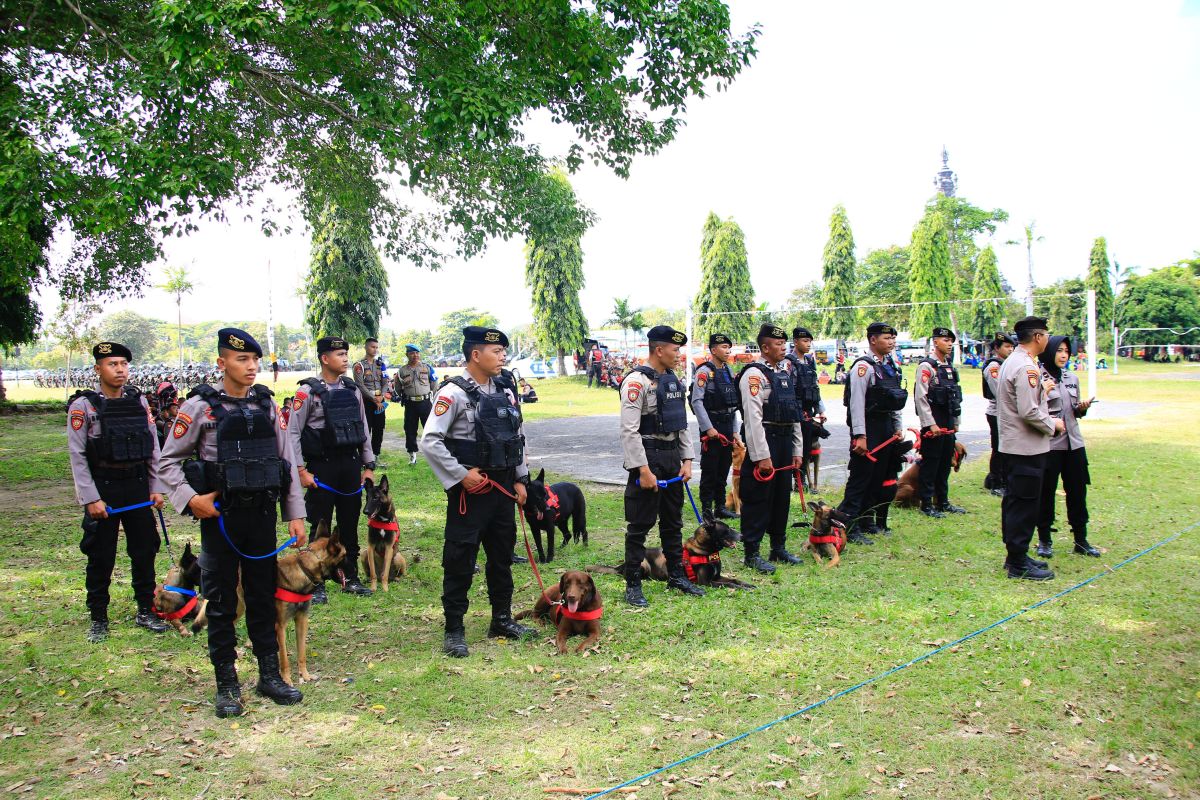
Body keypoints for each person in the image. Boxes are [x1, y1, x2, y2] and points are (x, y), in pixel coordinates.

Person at [158, 328, 307, 716]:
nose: (251, 367)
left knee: (261, 597)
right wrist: (190, 499)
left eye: (255, 360)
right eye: (242, 359)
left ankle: (269, 676)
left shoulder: (266, 405)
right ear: (222, 363)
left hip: (261, 517)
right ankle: (226, 683)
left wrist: (295, 514)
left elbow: (286, 461)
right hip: (221, 520)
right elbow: (167, 461)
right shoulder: (199, 408)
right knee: (222, 602)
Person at [419, 326, 536, 657]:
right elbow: (430, 441)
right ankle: (454, 627)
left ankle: (502, 618)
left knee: (501, 556)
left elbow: (517, 435)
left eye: (503, 351)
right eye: (495, 352)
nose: (502, 357)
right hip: (470, 494)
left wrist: (521, 478)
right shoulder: (452, 393)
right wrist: (459, 475)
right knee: (460, 559)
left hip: (502, 489)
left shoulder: (505, 390)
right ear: (475, 354)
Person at [68, 341, 168, 643]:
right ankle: (98, 616)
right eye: (113, 364)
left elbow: (153, 447)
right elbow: (78, 455)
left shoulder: (139, 403)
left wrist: (156, 486)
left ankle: (145, 609)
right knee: (101, 555)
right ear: (98, 368)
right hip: (104, 488)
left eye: (124, 364)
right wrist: (90, 498)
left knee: (144, 549)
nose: (120, 369)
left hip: (137, 487)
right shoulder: (82, 406)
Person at [617, 325, 702, 606]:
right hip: (648, 457)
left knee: (673, 522)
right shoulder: (636, 382)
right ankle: (633, 583)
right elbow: (629, 431)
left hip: (671, 459)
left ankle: (677, 576)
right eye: (675, 350)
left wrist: (687, 460)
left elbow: (681, 425)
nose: (679, 355)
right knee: (640, 524)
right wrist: (642, 470)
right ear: (659, 350)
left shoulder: (673, 382)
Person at [289, 336, 376, 601]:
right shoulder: (307, 392)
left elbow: (363, 428)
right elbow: (292, 433)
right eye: (339, 354)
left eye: (346, 353)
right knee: (321, 525)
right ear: (325, 359)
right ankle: (315, 582)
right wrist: (301, 470)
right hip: (321, 468)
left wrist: (369, 465)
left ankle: (350, 576)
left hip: (349, 465)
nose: (345, 358)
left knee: (349, 523)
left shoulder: (352, 390)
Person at [997, 315, 1064, 581]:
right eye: (1046, 335)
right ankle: (1017, 562)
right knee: (1023, 504)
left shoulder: (1014, 362)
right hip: (1025, 447)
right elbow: (1029, 411)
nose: (1048, 340)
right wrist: (1054, 424)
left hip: (1017, 445)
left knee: (1016, 502)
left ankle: (1017, 555)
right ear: (1038, 337)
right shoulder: (1026, 367)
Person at [737, 324, 804, 573]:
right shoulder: (754, 375)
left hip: (785, 442)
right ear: (765, 348)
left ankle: (778, 547)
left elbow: (793, 414)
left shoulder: (784, 374)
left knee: (781, 498)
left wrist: (797, 450)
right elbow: (753, 420)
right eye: (778, 344)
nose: (783, 347)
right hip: (765, 441)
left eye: (784, 343)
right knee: (758, 498)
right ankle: (752, 552)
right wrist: (762, 456)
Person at [837, 322, 907, 544]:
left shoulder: (890, 367)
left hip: (886, 428)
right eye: (887, 338)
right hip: (868, 429)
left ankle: (867, 521)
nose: (892, 342)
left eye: (893, 338)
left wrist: (897, 427)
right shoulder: (863, 367)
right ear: (873, 340)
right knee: (861, 479)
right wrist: (860, 435)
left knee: (877, 479)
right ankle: (850, 524)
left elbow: (894, 399)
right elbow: (856, 403)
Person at [1036, 336, 1100, 558]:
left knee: (1078, 492)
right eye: (1059, 351)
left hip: (1074, 444)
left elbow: (1074, 411)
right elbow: (1032, 410)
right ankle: (1044, 540)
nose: (1063, 355)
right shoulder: (1037, 377)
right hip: (1050, 445)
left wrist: (1082, 408)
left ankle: (1080, 540)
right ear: (1048, 352)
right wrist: (1043, 392)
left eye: (1066, 351)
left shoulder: (1071, 377)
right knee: (1046, 493)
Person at [913, 327, 966, 518]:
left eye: (951, 341)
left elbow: (955, 398)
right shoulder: (927, 367)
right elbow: (921, 397)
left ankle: (942, 501)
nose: (950, 344)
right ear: (935, 342)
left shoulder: (950, 367)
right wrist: (930, 424)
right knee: (931, 465)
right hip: (933, 425)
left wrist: (956, 422)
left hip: (948, 423)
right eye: (945, 340)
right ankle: (926, 504)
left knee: (945, 464)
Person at [690, 333, 741, 520]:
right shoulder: (703, 372)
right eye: (723, 347)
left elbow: (731, 404)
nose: (728, 351)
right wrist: (708, 428)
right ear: (713, 350)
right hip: (712, 427)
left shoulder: (728, 371)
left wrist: (735, 430)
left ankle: (720, 506)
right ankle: (706, 509)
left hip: (727, 425)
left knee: (723, 468)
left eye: (729, 347)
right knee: (710, 470)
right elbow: (697, 401)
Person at [785, 326, 826, 490]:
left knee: (807, 447)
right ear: (795, 342)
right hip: (795, 411)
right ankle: (795, 481)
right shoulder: (788, 362)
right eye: (804, 341)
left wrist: (821, 409)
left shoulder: (809, 361)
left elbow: (814, 387)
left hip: (809, 412)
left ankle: (802, 480)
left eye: (809, 341)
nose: (808, 344)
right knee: (795, 447)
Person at [981, 332, 1015, 496]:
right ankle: (996, 483)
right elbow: (1000, 392)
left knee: (1005, 448)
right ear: (997, 348)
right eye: (1007, 347)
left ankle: (994, 479)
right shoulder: (994, 367)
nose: (1010, 350)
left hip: (1004, 412)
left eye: (1012, 347)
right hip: (997, 412)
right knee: (999, 448)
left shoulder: (1005, 364)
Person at [394, 344, 436, 465]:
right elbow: (397, 388)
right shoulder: (402, 370)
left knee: (430, 428)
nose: (415, 355)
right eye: (412, 353)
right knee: (410, 429)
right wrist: (406, 395)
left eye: (417, 353)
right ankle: (412, 454)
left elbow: (434, 383)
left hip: (425, 403)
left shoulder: (427, 367)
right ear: (407, 355)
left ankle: (434, 453)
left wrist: (428, 396)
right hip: (410, 404)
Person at [353, 338, 392, 463]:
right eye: (372, 347)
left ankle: (376, 455)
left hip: (380, 400)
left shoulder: (381, 365)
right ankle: (365, 458)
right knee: (366, 429)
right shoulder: (359, 366)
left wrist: (382, 396)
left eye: (376, 347)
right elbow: (360, 385)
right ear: (366, 347)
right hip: (366, 402)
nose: (375, 349)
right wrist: (375, 399)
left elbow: (385, 382)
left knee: (379, 428)